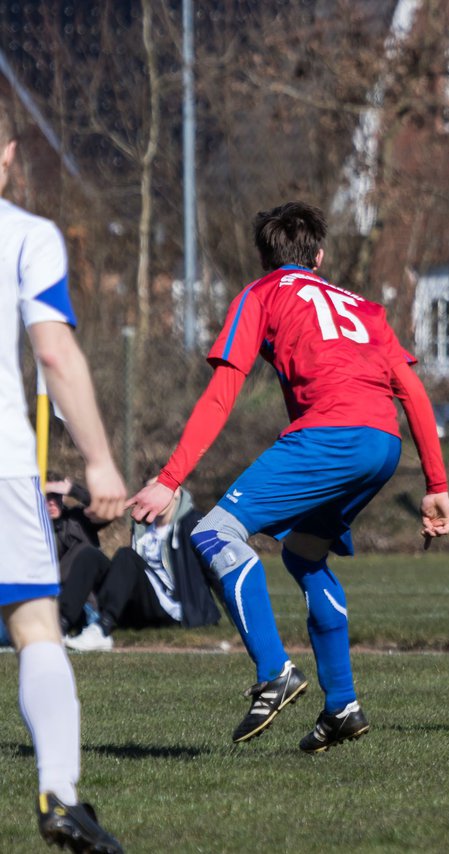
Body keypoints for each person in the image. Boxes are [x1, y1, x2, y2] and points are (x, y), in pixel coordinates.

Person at [128, 201, 449, 753]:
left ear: (264, 258)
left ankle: (275, 672)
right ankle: (342, 706)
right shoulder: (365, 308)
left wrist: (170, 477)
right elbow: (413, 392)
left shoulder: (260, 294)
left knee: (212, 535)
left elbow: (223, 392)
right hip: (382, 443)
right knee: (303, 555)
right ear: (319, 256)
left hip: (329, 436)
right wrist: (438, 485)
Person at [1, 104, 126, 852]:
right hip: (3, 463)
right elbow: (54, 352)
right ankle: (60, 795)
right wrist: (101, 459)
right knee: (36, 626)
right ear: (9, 153)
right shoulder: (27, 235)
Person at [63, 484, 221, 652]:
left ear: (177, 493)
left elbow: (215, 567)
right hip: (139, 602)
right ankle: (60, 625)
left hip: (170, 606)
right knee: (90, 555)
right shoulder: (141, 526)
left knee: (127, 556)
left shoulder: (192, 523)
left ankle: (102, 629)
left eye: (161, 490)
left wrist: (234, 608)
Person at [43, 476, 112, 635]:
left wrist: (74, 490)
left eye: (55, 495)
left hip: (86, 603)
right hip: (48, 602)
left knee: (84, 550)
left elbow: (107, 510)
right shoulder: (31, 528)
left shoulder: (78, 519)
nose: (51, 502)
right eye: (46, 496)